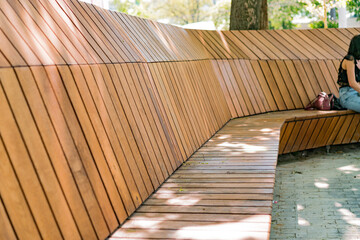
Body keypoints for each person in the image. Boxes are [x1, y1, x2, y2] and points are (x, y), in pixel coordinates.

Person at [338, 35, 360, 113]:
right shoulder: (350, 59)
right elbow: (352, 83)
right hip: (347, 96)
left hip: (357, 94)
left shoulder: (358, 61)